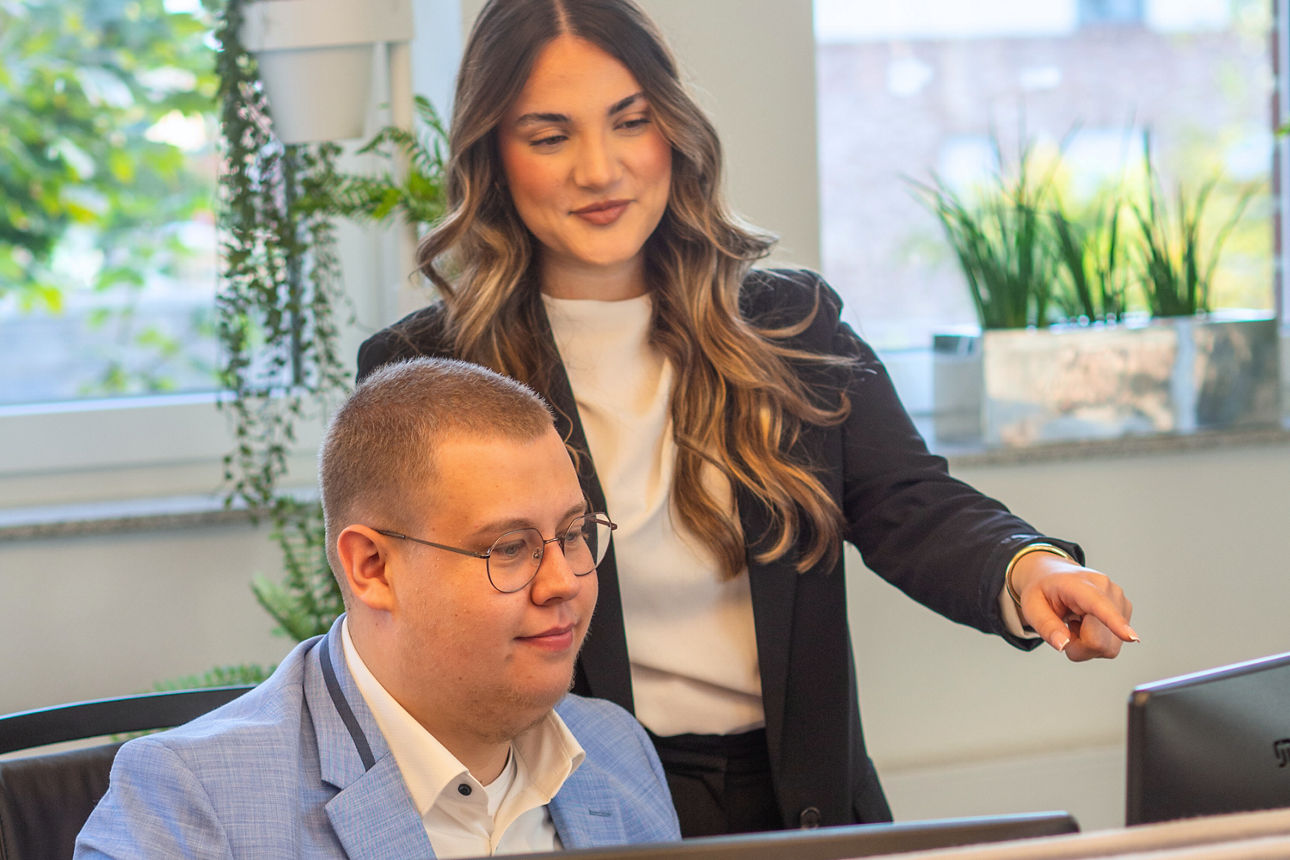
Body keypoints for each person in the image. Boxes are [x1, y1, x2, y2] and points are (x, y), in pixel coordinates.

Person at [357, 0, 1138, 839]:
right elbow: (414, 617)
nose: (601, 168)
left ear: (675, 130)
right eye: (551, 137)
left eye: (631, 121)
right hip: (570, 805)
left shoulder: (789, 321)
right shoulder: (429, 372)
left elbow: (908, 499)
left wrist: (1026, 569)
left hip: (804, 798)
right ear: (494, 156)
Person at [75, 357, 681, 858]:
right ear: (373, 568)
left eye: (573, 534)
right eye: (509, 548)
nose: (562, 583)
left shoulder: (616, 748)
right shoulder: (190, 804)